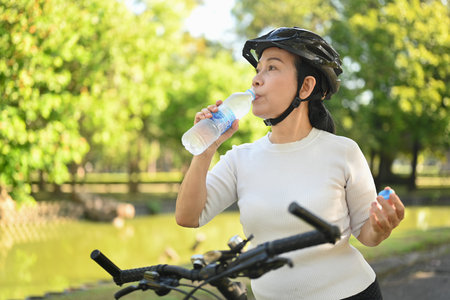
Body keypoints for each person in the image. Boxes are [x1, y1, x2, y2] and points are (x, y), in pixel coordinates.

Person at [175, 27, 405, 300]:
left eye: (271, 68)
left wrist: (380, 227)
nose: (256, 80)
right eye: (258, 70)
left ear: (305, 87)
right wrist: (205, 148)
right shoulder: (240, 158)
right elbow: (188, 217)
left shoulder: (343, 152)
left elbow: (366, 235)